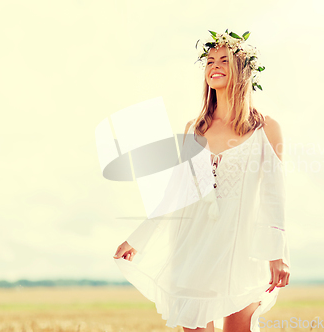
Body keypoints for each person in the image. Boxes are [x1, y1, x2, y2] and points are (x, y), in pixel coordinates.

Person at [113, 30, 291, 332]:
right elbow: (176, 193)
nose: (214, 66)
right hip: (192, 248)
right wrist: (138, 238)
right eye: (209, 61)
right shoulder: (194, 128)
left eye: (224, 60)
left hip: (241, 250)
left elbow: (275, 195)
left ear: (243, 71)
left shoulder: (266, 129)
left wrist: (277, 253)